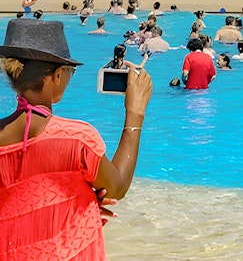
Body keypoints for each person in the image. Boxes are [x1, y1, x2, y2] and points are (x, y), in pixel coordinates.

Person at [0, 19, 153, 259]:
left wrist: (69, 200)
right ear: (57, 75)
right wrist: (136, 110)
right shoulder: (77, 139)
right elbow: (117, 187)